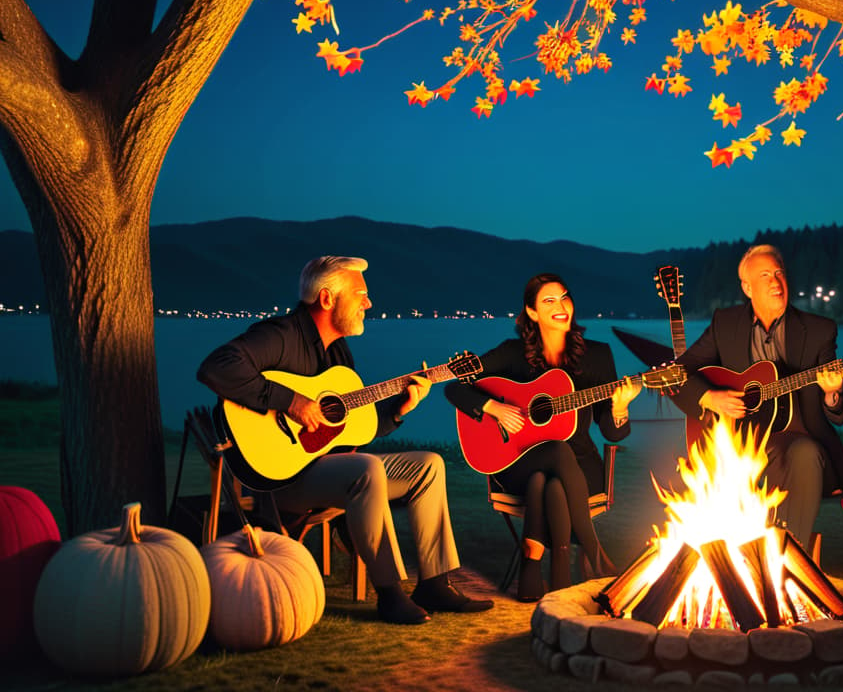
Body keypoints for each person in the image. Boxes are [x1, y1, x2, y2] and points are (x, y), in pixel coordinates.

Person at [197, 256, 492, 625]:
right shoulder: (279, 335)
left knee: (428, 465)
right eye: (360, 294)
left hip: (325, 469)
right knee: (366, 468)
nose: (368, 303)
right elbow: (216, 367)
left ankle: (434, 582)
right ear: (326, 299)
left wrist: (401, 408)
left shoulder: (338, 352)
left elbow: (354, 427)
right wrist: (292, 401)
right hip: (282, 479)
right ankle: (389, 593)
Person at [445, 272, 640, 601]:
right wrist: (493, 407)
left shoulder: (598, 355)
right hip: (516, 460)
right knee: (553, 453)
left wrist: (620, 407)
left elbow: (610, 431)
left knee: (547, 481)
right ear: (532, 313)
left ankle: (536, 563)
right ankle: (593, 550)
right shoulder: (511, 353)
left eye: (565, 297)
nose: (561, 306)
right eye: (549, 301)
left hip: (579, 467)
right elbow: (455, 387)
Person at [670, 244, 843, 550]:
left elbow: (838, 412)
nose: (775, 282)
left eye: (779, 273)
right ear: (747, 287)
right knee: (743, 459)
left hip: (800, 435)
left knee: (806, 455)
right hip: (740, 436)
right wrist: (708, 398)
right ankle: (733, 555)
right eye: (764, 275)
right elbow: (678, 373)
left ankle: (786, 557)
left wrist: (832, 394)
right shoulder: (726, 323)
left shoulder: (818, 330)